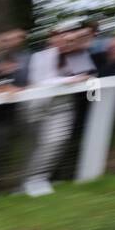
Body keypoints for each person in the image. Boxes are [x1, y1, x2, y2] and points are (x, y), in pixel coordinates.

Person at [23, 24, 96, 196]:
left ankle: (38, 179)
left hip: (62, 107)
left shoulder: (79, 56)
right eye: (61, 37)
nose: (66, 42)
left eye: (70, 39)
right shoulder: (39, 56)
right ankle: (24, 183)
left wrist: (81, 77)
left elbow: (90, 77)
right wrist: (67, 80)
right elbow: (39, 81)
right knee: (33, 147)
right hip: (36, 107)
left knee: (55, 142)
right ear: (52, 39)